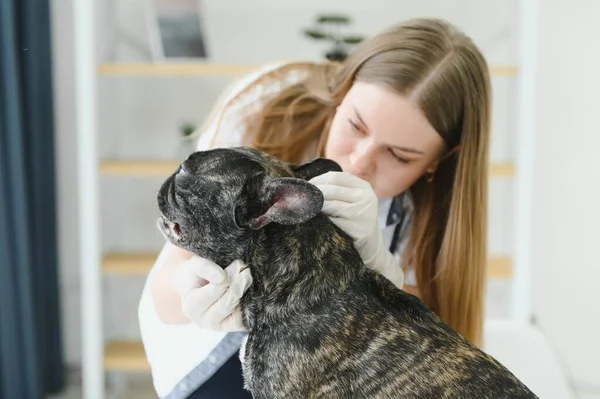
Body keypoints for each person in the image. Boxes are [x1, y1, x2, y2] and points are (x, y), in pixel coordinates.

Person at [138, 17, 491, 399]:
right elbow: (165, 297)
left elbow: (433, 360)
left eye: (399, 155)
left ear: (438, 161)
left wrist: (379, 267)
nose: (360, 160)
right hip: (209, 362)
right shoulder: (262, 106)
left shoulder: (435, 215)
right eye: (356, 125)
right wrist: (190, 290)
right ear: (343, 89)